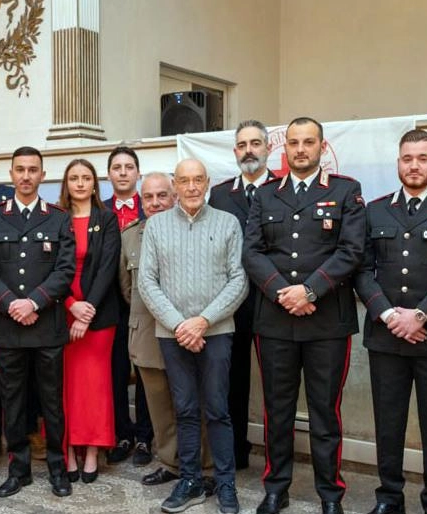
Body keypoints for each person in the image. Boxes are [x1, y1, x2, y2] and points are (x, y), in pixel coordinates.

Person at [243, 117, 365, 514]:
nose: (299, 149)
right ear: (285, 149)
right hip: (276, 321)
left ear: (320, 147)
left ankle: (331, 494)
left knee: (324, 412)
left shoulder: (346, 191)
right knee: (277, 410)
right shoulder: (265, 195)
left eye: (308, 142)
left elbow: (351, 251)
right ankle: (275, 488)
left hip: (327, 321)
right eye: (293, 142)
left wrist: (310, 290)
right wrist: (284, 293)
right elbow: (252, 252)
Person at [353, 130, 427, 514]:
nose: (414, 165)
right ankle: (389, 498)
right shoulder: (375, 210)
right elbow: (361, 269)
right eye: (407, 158)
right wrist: (389, 314)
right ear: (398, 163)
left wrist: (422, 313)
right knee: (388, 424)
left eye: (423, 158)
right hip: (386, 335)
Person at [138, 159, 248, 514]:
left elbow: (239, 280)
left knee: (217, 410)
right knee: (184, 410)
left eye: (197, 180)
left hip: (216, 332)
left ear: (207, 182)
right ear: (175, 184)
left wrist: (202, 321)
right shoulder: (156, 226)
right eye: (183, 181)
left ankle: (226, 483)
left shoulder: (228, 223)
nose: (190, 187)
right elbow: (147, 283)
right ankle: (190, 481)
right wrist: (180, 325)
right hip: (172, 335)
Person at [0, 146, 76, 498]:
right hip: (8, 325)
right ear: (11, 174)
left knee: (51, 401)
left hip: (47, 325)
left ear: (42, 176)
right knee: (13, 400)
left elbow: (65, 269)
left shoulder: (58, 218)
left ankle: (58, 467)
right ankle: (19, 469)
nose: (27, 176)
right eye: (20, 169)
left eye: (33, 170)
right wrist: (11, 304)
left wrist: (34, 302)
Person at [121, 172, 215, 490]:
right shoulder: (129, 236)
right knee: (160, 408)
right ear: (141, 200)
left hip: (188, 333)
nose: (156, 202)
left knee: (193, 404)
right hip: (148, 334)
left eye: (162, 195)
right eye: (149, 197)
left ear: (174, 196)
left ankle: (201, 466)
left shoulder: (189, 229)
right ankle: (171, 464)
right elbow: (127, 287)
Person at [208, 119, 275, 470]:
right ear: (235, 151)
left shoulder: (281, 188)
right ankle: (234, 452)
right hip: (231, 302)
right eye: (242, 144)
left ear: (267, 148)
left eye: (255, 143)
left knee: (275, 383)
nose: (249, 150)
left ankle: (275, 459)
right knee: (231, 379)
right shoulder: (219, 194)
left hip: (272, 300)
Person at [57, 159, 120, 483]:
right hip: (61, 313)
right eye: (74, 178)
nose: (80, 183)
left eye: (86, 177)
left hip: (98, 316)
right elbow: (51, 268)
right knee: (64, 386)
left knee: (95, 385)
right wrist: (70, 304)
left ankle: (93, 450)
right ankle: (68, 450)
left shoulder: (107, 219)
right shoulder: (55, 219)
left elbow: (108, 267)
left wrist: (86, 309)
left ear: (95, 183)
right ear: (66, 184)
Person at [104, 146, 154, 465]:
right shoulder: (100, 210)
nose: (123, 172)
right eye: (117, 167)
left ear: (138, 173)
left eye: (129, 166)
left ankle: (146, 438)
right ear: (108, 174)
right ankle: (122, 433)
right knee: (117, 372)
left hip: (146, 305)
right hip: (111, 305)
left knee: (148, 372)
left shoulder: (150, 208)